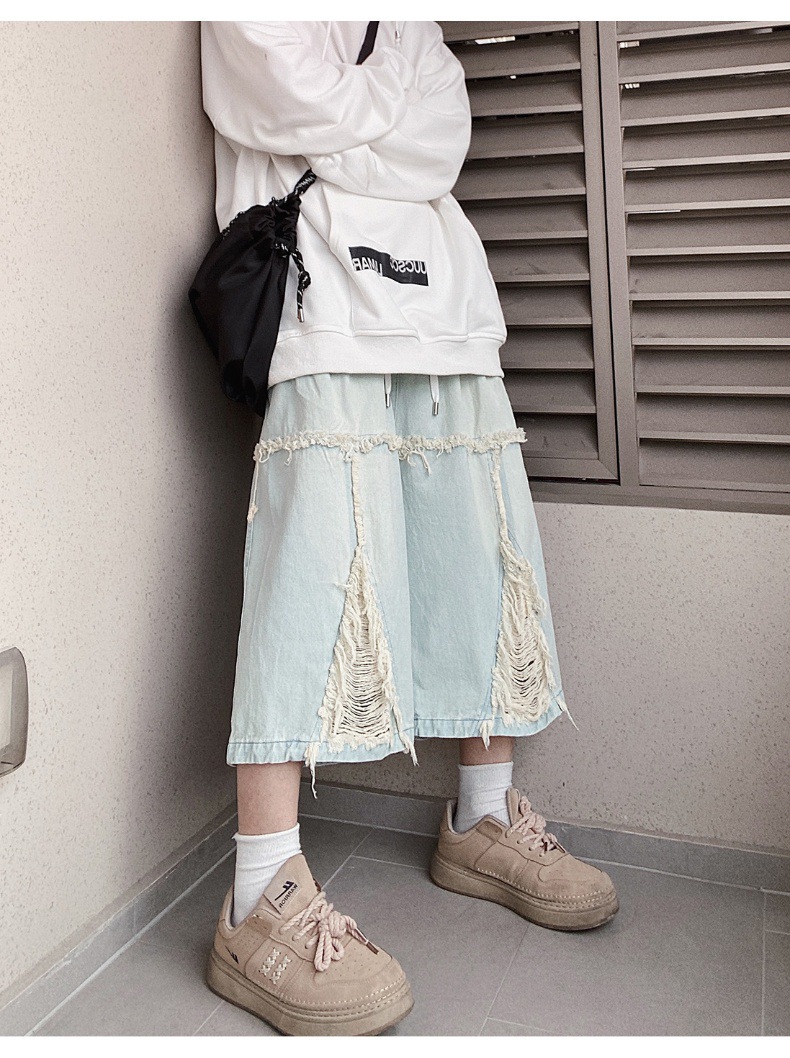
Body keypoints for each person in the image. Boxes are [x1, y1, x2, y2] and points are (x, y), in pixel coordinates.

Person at [198, 21, 619, 1036]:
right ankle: (259, 893)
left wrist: (357, 115)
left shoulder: (412, 19)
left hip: (448, 308)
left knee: (477, 551)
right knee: (311, 569)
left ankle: (483, 815)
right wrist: (386, 104)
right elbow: (283, 96)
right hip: (321, 299)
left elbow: (440, 140)